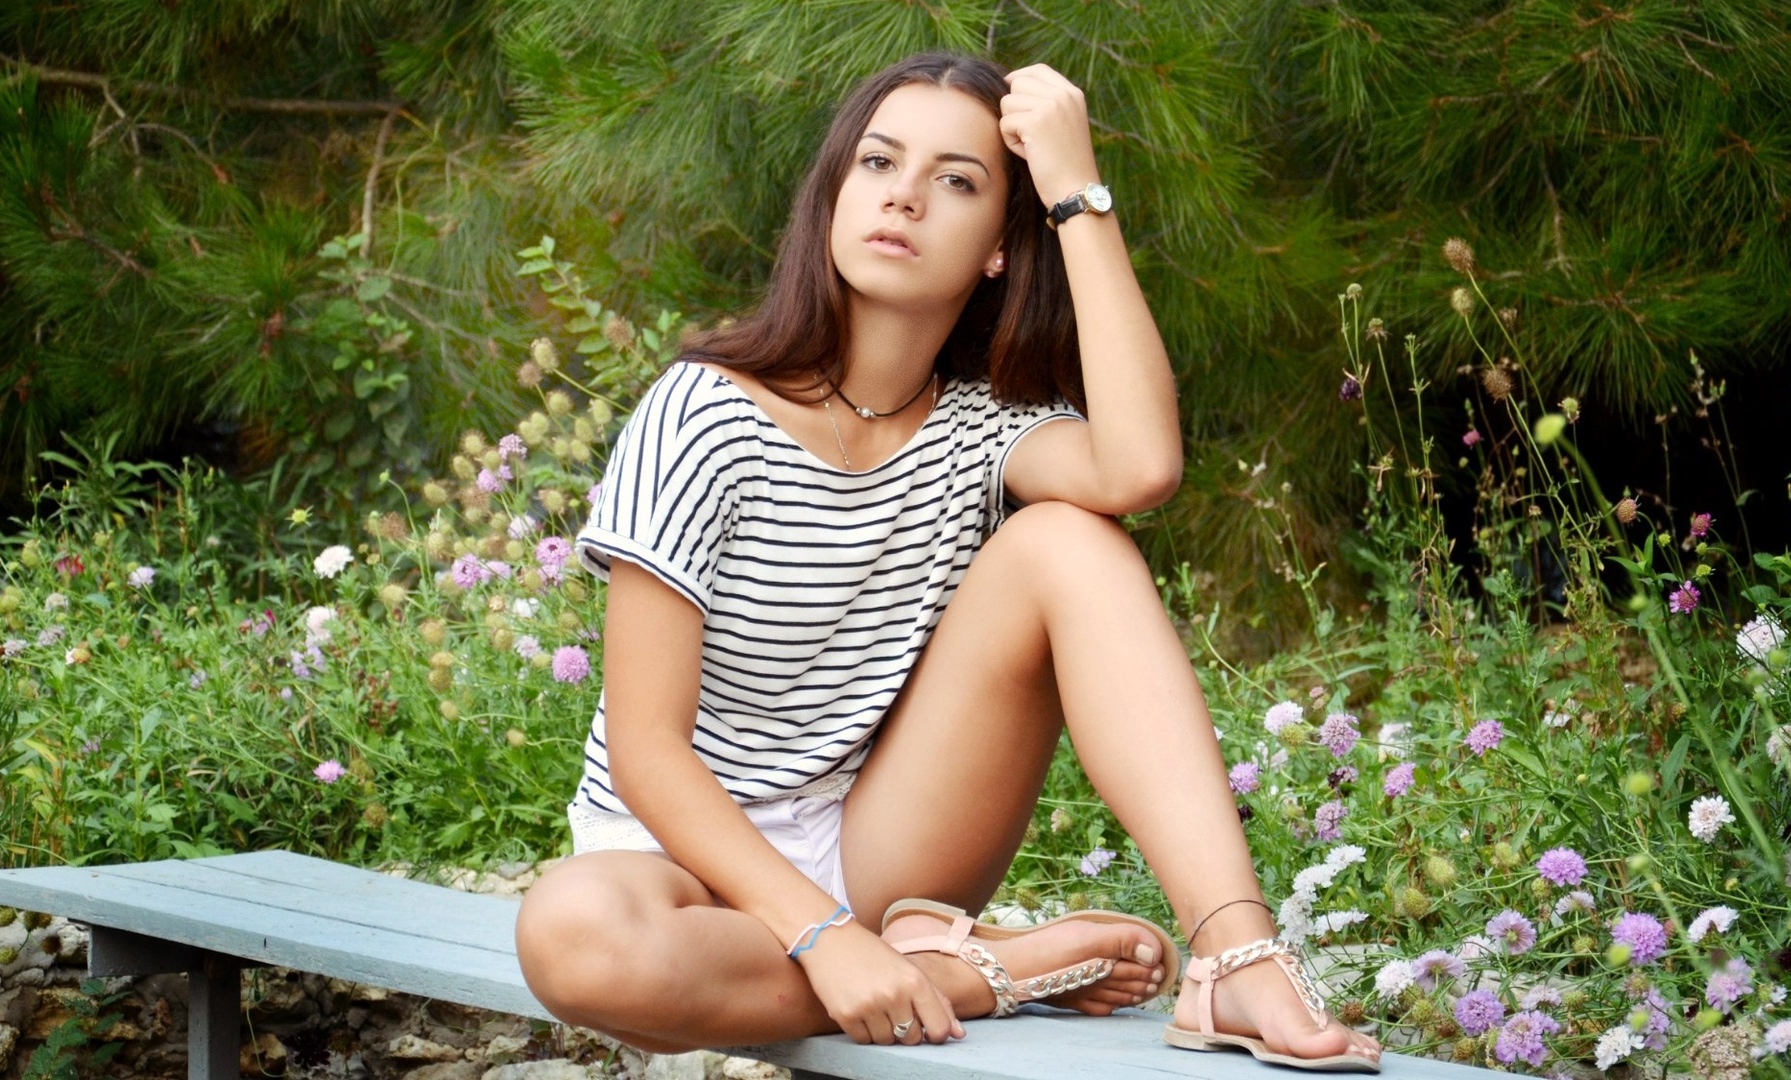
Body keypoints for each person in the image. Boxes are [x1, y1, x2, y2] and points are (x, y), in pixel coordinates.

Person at [515, 51, 1383, 1074]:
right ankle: (974, 975)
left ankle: (1236, 957)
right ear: (834, 196)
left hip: (883, 846)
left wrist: (1072, 187)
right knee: (573, 940)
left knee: (1070, 539)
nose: (905, 197)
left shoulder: (983, 428)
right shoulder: (702, 413)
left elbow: (1141, 466)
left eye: (958, 181)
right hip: (675, 866)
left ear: (999, 252)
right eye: (879, 163)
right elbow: (648, 752)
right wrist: (821, 937)